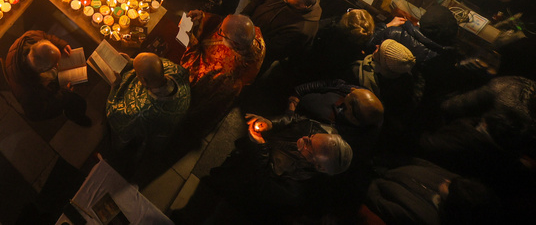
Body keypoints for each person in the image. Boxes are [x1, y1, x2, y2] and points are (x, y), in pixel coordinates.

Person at [201, 113, 353, 212]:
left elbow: (260, 183)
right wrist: (271, 124)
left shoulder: (296, 187)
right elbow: (296, 120)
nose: (305, 138)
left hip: (244, 177)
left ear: (319, 166)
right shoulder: (319, 133)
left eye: (309, 146)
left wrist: (261, 147)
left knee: (217, 183)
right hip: (247, 154)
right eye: (312, 136)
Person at [180, 12, 265, 128]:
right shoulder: (251, 32)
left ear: (234, 43)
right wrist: (202, 16)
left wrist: (191, 42)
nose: (218, 31)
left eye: (221, 32)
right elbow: (223, 22)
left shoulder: (227, 72)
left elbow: (196, 75)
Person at [105, 52, 190, 154]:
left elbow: (113, 114)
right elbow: (151, 67)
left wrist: (115, 86)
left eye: (136, 72)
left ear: (144, 81)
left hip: (160, 132)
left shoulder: (142, 112)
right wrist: (131, 61)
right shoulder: (176, 69)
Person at [365, 160, 499, 225]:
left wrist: (366, 181)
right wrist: (384, 159)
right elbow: (422, 163)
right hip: (385, 168)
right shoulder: (457, 184)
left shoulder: (425, 219)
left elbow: (379, 203)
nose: (447, 180)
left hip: (370, 182)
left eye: (449, 186)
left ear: (452, 203)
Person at [2, 30, 91, 126]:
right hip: (47, 96)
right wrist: (62, 94)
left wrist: (61, 45)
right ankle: (76, 116)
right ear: (42, 70)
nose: (57, 65)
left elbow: (47, 37)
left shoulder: (32, 37)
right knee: (75, 102)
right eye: (53, 65)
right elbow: (36, 114)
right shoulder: (28, 93)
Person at [289, 81, 385, 161]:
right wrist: (298, 93)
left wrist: (289, 116)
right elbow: (330, 84)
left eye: (351, 94)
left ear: (352, 115)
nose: (351, 89)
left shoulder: (336, 137)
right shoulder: (361, 95)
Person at [243, 0, 323, 70]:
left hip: (254, 57)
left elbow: (272, 50)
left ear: (302, 5)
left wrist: (245, 42)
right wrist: (245, 14)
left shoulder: (303, 29)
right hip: (245, 34)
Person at [347, 39, 423, 130]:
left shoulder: (359, 73)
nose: (377, 46)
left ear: (382, 63)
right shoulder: (408, 77)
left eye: (379, 50)